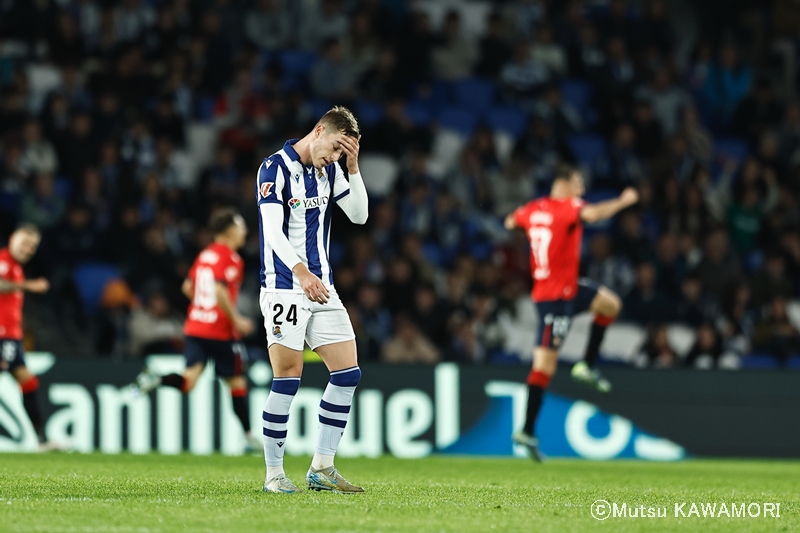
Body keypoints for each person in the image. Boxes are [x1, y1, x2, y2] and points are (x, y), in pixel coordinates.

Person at [257, 106, 368, 494]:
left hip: (321, 287)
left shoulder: (331, 169)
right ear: (319, 130)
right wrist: (300, 271)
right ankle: (274, 474)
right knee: (287, 377)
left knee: (347, 373)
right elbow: (272, 229)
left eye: (342, 153)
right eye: (335, 149)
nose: (334, 157)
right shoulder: (273, 168)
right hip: (284, 284)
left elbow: (359, 216)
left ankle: (322, 466)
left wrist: (352, 168)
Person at [503, 164, 638, 461]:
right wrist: (623, 202)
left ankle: (586, 365)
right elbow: (592, 215)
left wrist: (523, 224)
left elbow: (509, 221)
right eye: (578, 182)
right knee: (543, 367)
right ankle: (526, 429)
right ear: (563, 184)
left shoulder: (533, 208)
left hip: (567, 288)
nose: (582, 190)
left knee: (610, 304)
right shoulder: (567, 207)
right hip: (554, 300)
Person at [130, 208, 258, 451]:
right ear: (229, 231)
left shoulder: (205, 255)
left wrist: (202, 309)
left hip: (196, 328)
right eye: (241, 227)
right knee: (237, 383)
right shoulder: (231, 258)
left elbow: (188, 287)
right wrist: (237, 320)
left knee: (188, 383)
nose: (244, 232)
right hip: (220, 332)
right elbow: (219, 291)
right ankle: (248, 435)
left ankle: (156, 378)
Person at [0, 224, 53, 449]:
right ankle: (41, 440)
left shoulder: (17, 267)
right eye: (24, 243)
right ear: (12, 239)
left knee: (29, 382)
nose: (28, 249)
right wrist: (29, 285)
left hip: (12, 336)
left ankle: (41, 440)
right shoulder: (4, 261)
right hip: (2, 335)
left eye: (32, 246)